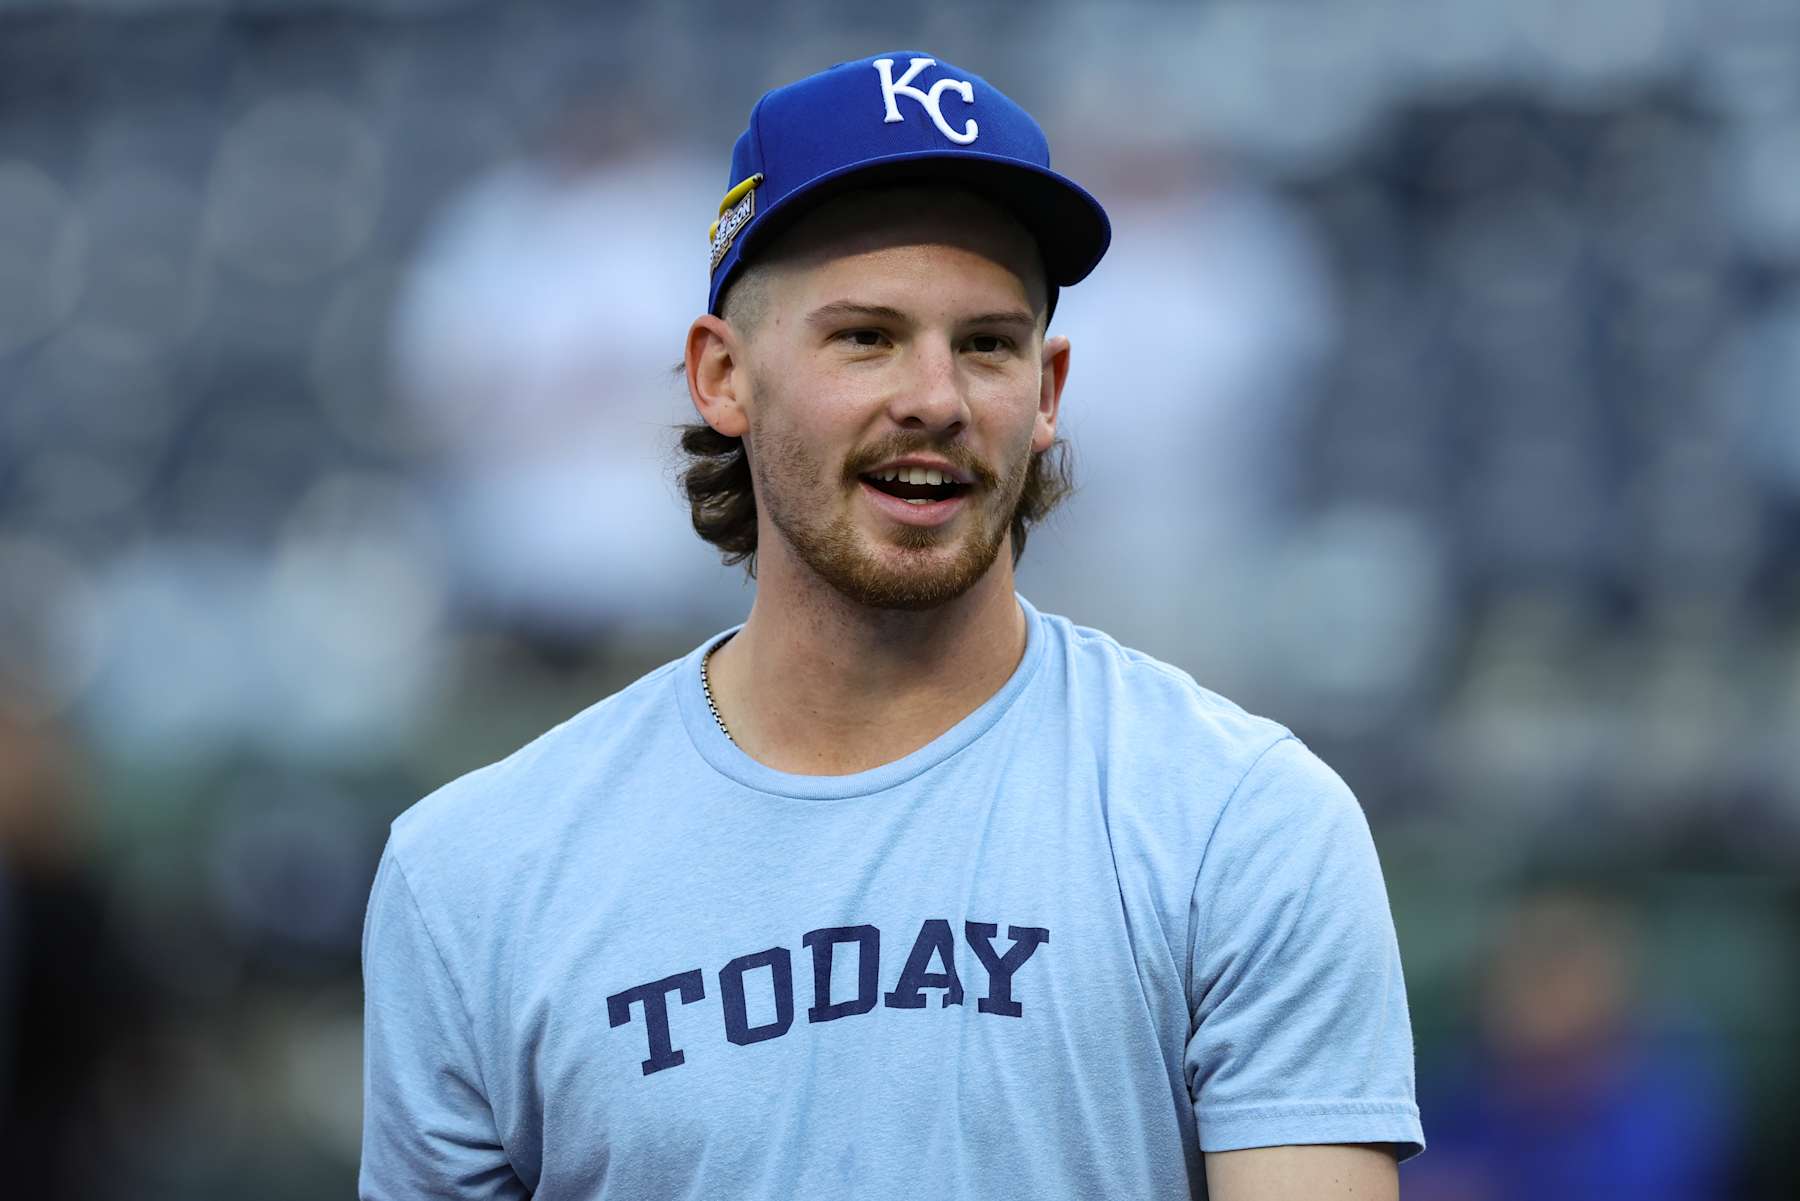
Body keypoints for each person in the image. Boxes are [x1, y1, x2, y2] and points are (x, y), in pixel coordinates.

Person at [360, 51, 1424, 1201]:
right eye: (865, 336)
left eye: (987, 344)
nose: (935, 398)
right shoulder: (476, 874)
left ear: (1048, 391)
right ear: (721, 376)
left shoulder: (1241, 824)